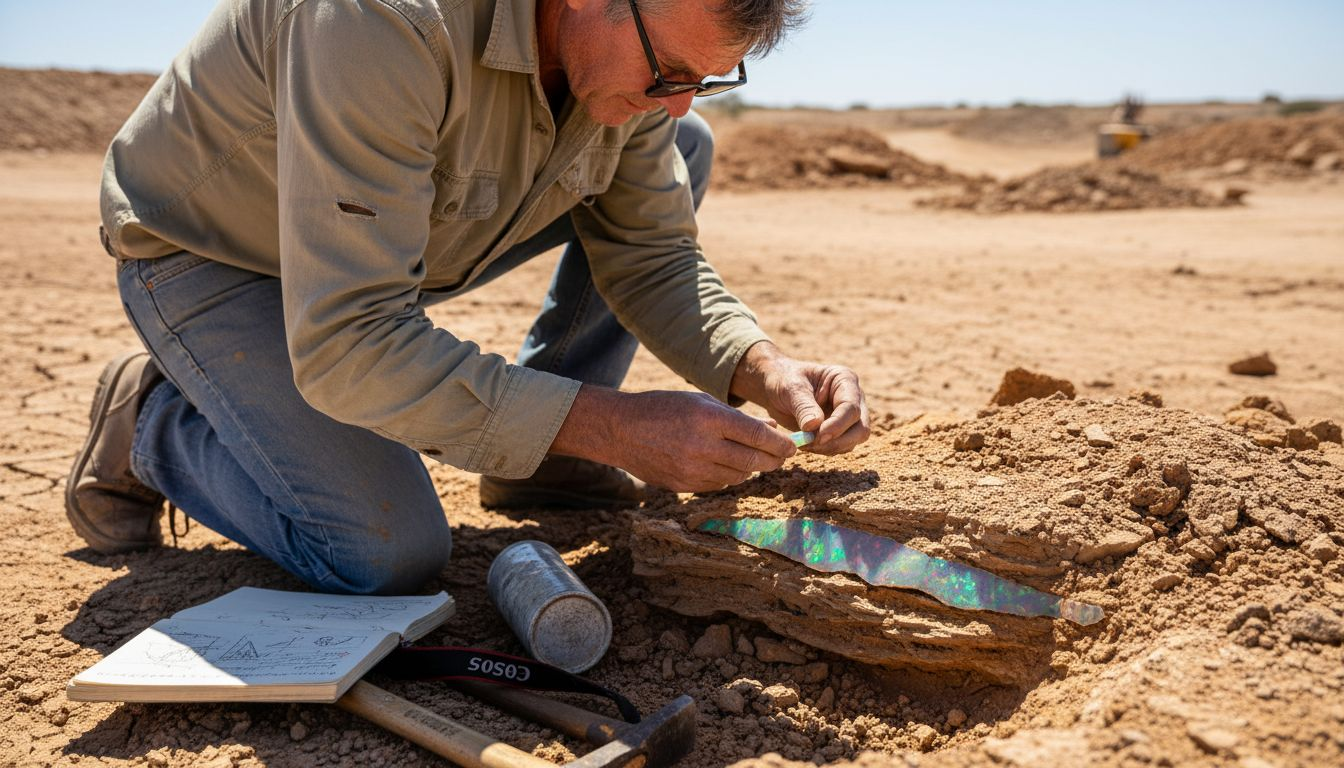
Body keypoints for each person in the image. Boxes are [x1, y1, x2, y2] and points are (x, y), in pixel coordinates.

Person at [67, 0, 870, 594]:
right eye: (671, 73)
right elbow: (352, 338)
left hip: (379, 259)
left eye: (708, 78)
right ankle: (154, 417)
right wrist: (614, 425)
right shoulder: (379, 20)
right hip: (213, 251)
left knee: (680, 147)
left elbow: (651, 252)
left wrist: (760, 366)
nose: (680, 99)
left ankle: (541, 464)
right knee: (382, 555)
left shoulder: (634, 60)